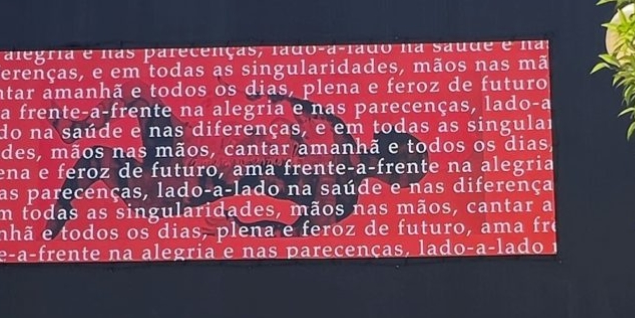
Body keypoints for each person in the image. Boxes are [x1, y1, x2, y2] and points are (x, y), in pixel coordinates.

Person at [43, 84, 429, 240]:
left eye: (398, 162)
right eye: (397, 151)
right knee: (137, 94)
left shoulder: (341, 202)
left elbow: (291, 229)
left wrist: (239, 226)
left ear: (393, 177)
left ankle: (59, 214)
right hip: (198, 148)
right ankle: (74, 129)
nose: (388, 158)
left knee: (96, 160)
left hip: (190, 182)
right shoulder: (334, 129)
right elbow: (275, 103)